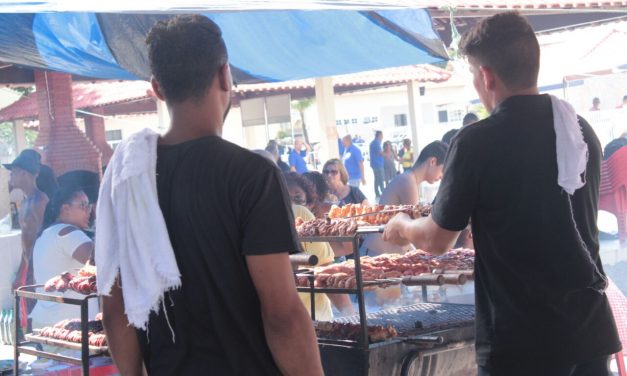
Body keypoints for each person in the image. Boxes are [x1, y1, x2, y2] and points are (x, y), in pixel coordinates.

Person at [383, 12, 621, 375]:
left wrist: (402, 224)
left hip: (521, 342)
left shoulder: (477, 142)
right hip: (586, 333)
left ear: (486, 77)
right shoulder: (580, 130)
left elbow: (436, 240)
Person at [97, 15, 322, 376]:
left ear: (157, 87)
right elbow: (281, 315)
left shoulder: (127, 179)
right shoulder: (253, 176)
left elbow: (115, 307)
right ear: (225, 75)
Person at [284, 173, 355, 318]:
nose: (292, 205)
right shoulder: (300, 213)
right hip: (314, 324)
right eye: (286, 198)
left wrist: (349, 315)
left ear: (310, 203)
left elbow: (325, 272)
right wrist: (351, 317)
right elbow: (326, 272)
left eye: (298, 199)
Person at [361, 141, 447, 257]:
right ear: (433, 162)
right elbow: (416, 231)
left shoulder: (409, 179)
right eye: (443, 170)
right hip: (376, 254)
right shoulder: (408, 182)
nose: (443, 176)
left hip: (382, 253)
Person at [31, 187, 96, 328]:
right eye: (83, 205)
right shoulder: (70, 233)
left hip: (44, 321)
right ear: (65, 208)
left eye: (89, 205)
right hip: (69, 325)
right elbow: (99, 262)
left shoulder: (45, 234)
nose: (89, 210)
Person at [3, 150, 48, 296]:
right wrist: (20, 275)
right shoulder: (25, 202)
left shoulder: (41, 201)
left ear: (23, 173)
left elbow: (45, 238)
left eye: (13, 172)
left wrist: (38, 272)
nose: (11, 176)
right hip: (30, 268)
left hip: (41, 268)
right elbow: (26, 245)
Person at [369, 131, 385, 198]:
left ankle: (377, 193)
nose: (382, 137)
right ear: (379, 135)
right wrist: (387, 154)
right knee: (380, 179)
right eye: (382, 135)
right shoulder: (376, 143)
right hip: (377, 164)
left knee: (377, 179)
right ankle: (383, 193)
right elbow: (380, 153)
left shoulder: (373, 143)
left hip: (375, 164)